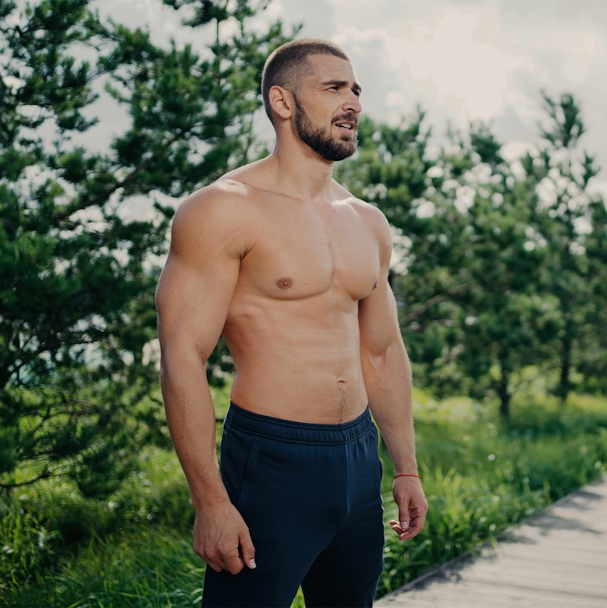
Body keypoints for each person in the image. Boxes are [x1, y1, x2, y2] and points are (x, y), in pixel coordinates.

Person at [155, 38, 428, 608]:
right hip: (273, 460)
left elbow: (381, 352)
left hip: (358, 460)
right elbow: (183, 356)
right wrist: (210, 501)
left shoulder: (367, 222)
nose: (352, 101)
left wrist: (405, 468)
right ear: (283, 102)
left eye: (355, 89)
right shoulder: (222, 210)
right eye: (333, 88)